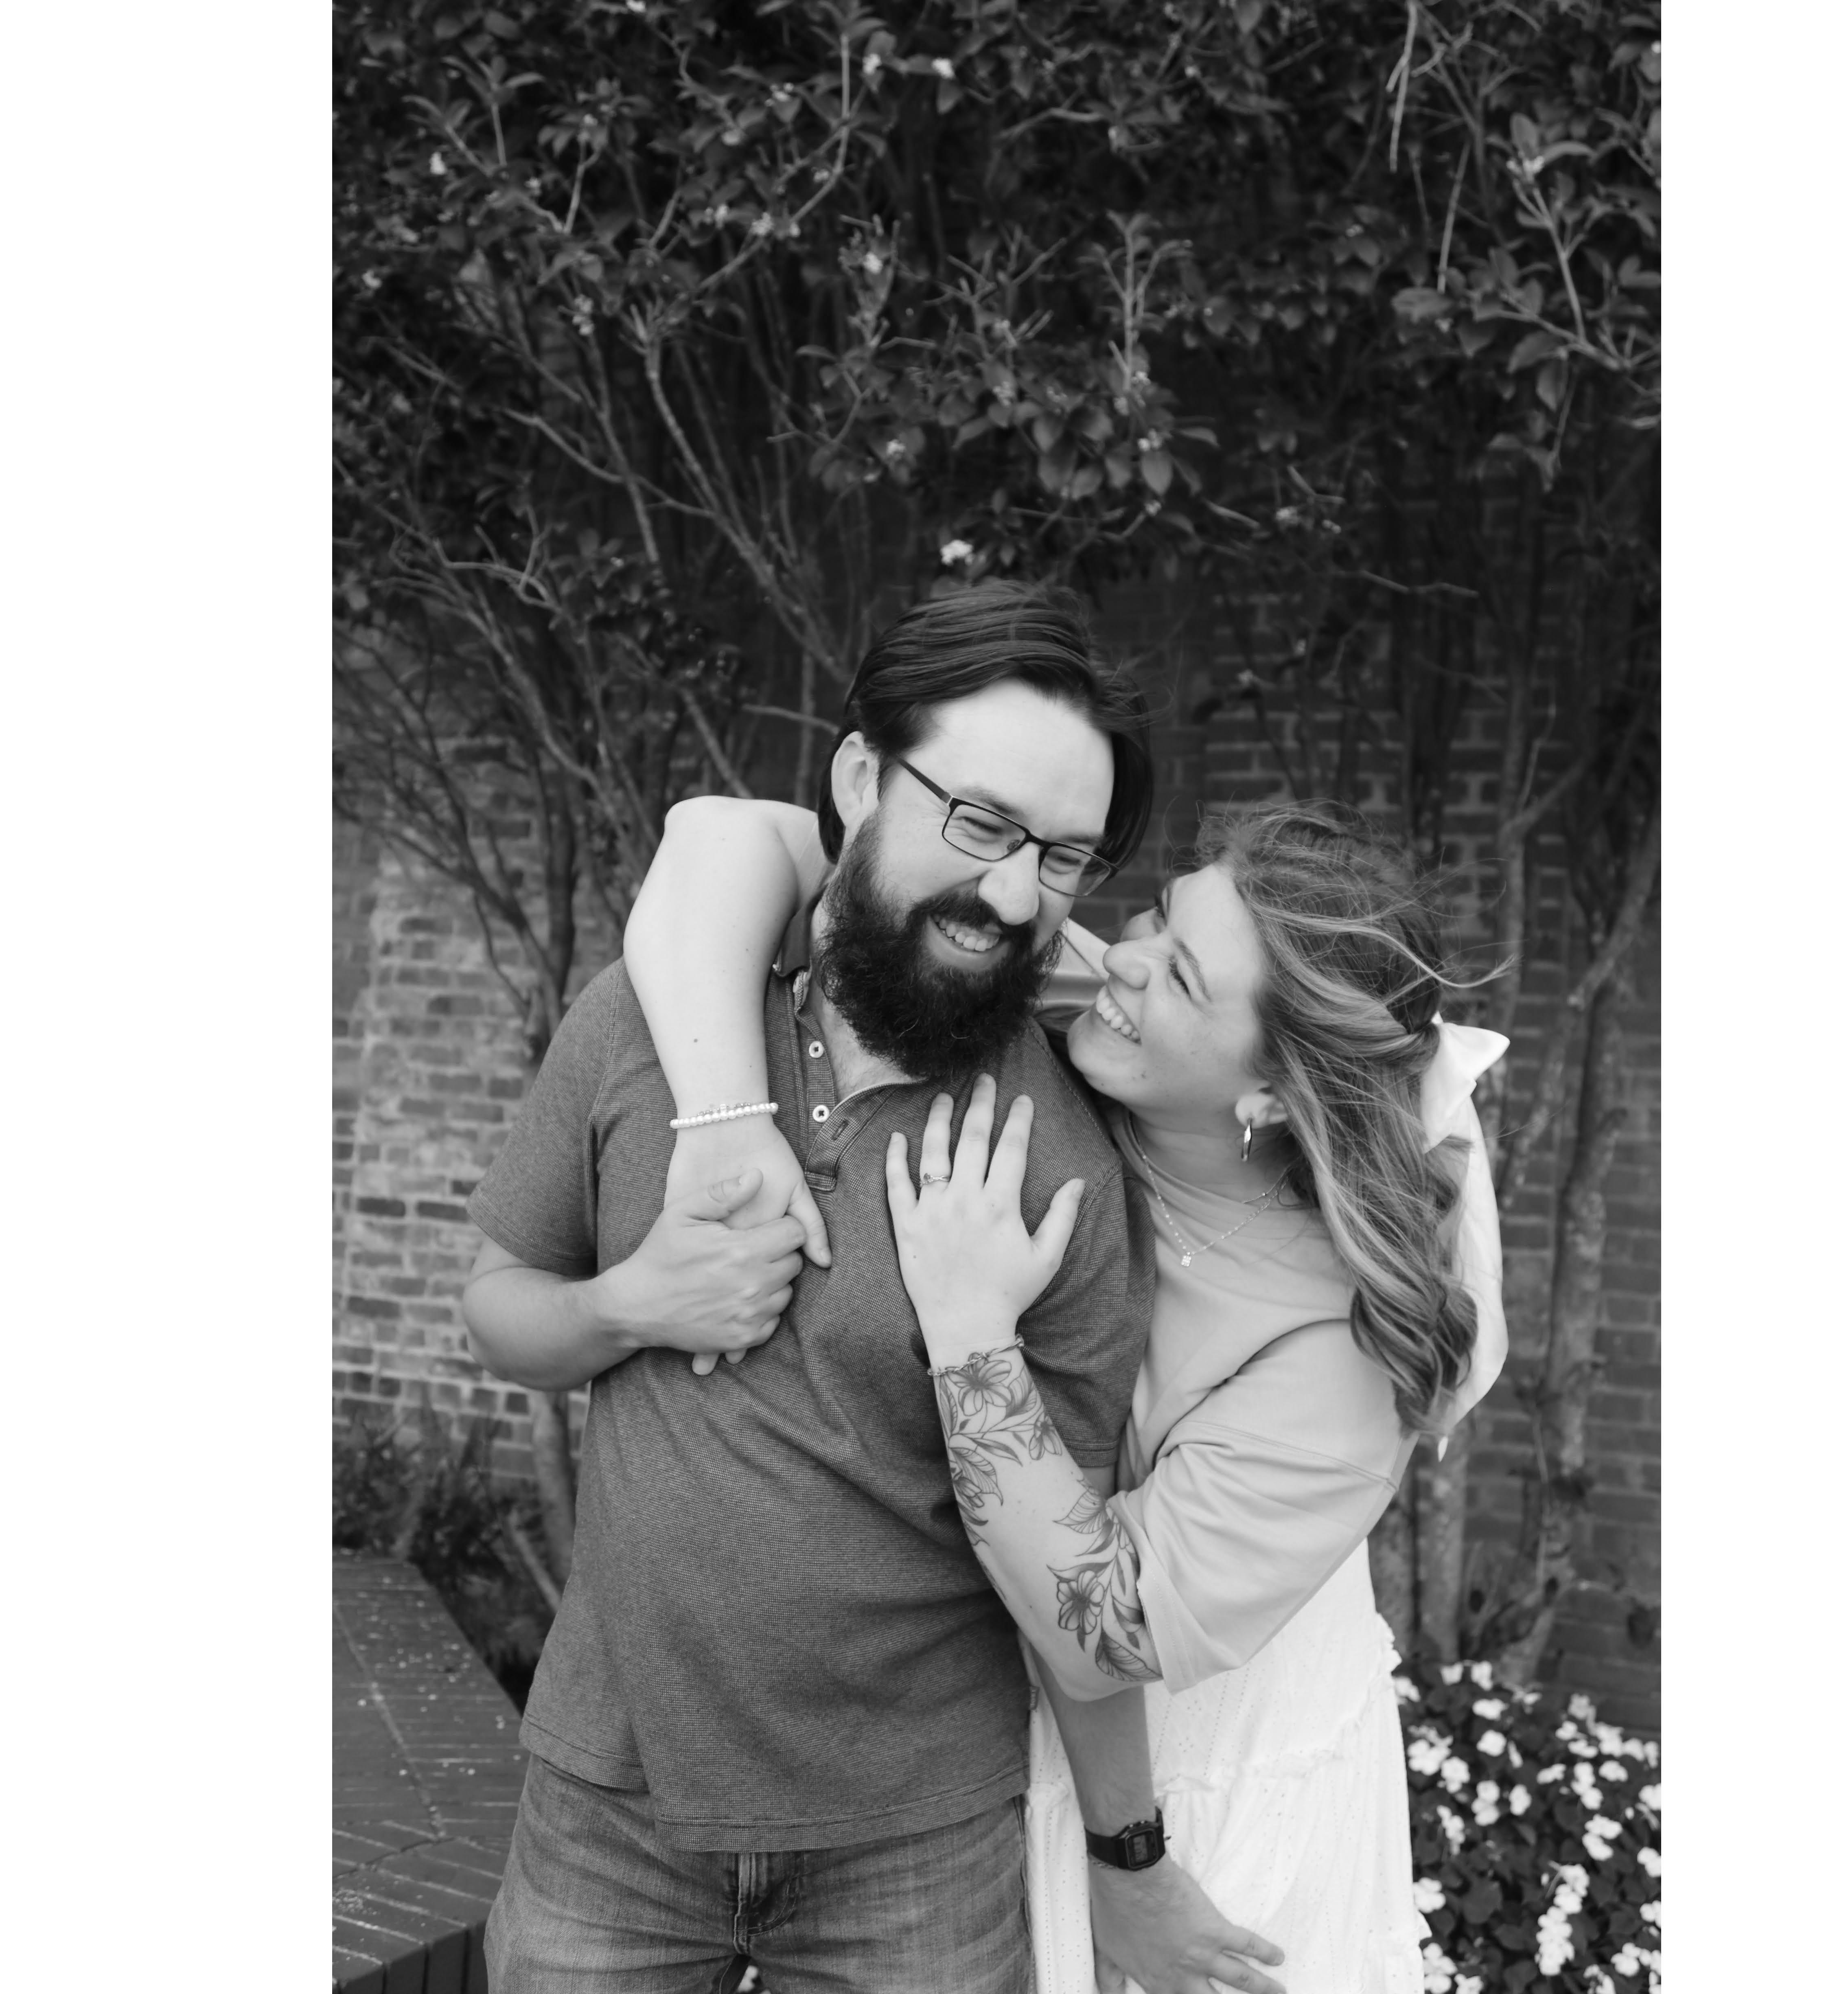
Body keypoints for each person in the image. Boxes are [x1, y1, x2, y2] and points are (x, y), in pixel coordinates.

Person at [461, 581, 1256, 1994]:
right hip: (607, 1804)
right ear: (856, 778)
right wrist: (629, 1304)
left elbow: (1061, 1569)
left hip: (918, 1851)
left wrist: (1124, 1854)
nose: (1011, 894)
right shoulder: (657, 1015)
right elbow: (499, 1305)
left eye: (1062, 856)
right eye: (981, 822)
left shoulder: (1063, 1158)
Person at [627, 787, 1509, 1994]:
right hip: (982, 1739)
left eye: (1182, 975)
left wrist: (971, 1329)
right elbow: (728, 833)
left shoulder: (1342, 1351)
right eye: (1159, 915)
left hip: (1202, 1777)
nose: (1124, 960)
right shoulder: (1095, 1007)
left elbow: (1108, 1630)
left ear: (1269, 1094)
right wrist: (726, 1125)